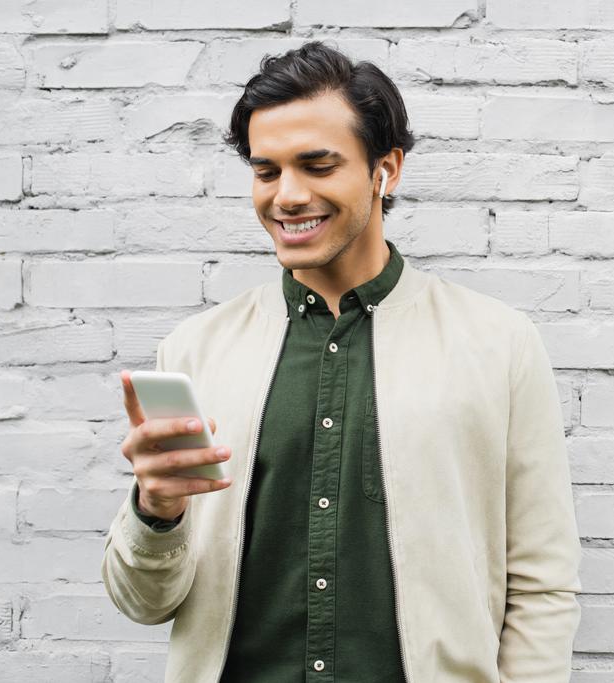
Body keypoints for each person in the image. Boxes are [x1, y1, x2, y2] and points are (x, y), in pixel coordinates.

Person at [102, 40, 581, 682]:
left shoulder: (499, 344)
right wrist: (156, 512)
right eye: (266, 171)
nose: (287, 196)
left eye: (317, 165)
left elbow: (543, 587)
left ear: (386, 170)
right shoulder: (194, 350)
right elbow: (144, 602)